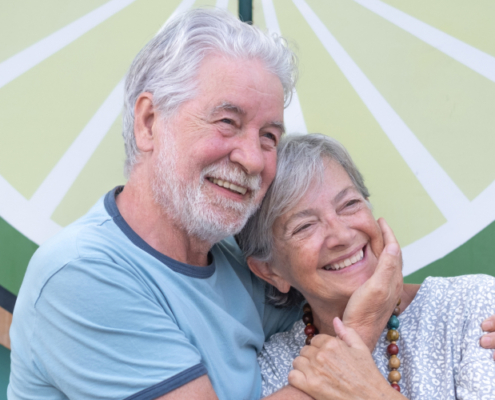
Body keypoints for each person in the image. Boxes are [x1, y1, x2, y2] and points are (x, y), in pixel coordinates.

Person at [7, 8, 410, 400]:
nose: (253, 159)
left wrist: (466, 305)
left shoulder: (237, 262)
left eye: (269, 135)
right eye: (227, 123)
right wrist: (359, 333)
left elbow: (337, 292)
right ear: (149, 122)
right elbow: (357, 314)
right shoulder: (80, 274)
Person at [237, 133, 495, 399]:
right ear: (269, 270)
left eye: (349, 204)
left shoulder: (473, 305)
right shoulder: (275, 368)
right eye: (305, 226)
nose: (343, 235)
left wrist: (368, 392)